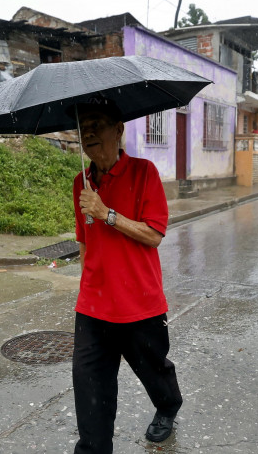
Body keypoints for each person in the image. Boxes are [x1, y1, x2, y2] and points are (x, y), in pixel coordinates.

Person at [72, 99, 183, 453]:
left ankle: (168, 405)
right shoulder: (81, 183)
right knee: (91, 392)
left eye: (97, 124)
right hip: (93, 309)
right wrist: (86, 287)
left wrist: (107, 213)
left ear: (119, 129)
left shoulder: (144, 172)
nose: (88, 132)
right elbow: (83, 242)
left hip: (141, 306)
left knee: (154, 372)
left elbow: (154, 234)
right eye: (83, 127)